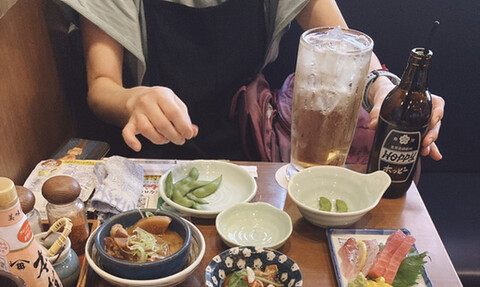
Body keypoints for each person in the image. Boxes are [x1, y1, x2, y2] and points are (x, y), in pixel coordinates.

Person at [54, 0, 444, 161]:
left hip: (250, 150)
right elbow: (101, 87)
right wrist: (133, 101)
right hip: (153, 157)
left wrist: (383, 87)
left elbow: (344, 44)